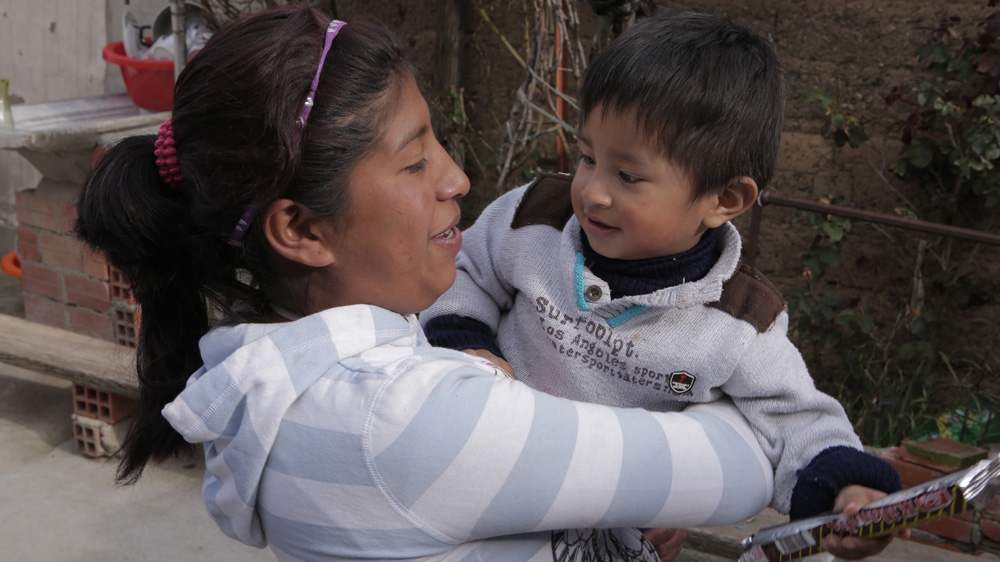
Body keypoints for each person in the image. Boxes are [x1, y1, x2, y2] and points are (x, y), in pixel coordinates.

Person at [74, 5, 793, 562]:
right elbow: (747, 464)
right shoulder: (406, 419)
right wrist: (716, 358)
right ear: (301, 231)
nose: (458, 178)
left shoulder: (272, 366)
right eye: (415, 162)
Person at [420, 8, 904, 559]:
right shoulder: (536, 217)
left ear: (725, 199)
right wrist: (468, 348)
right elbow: (468, 277)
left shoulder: (740, 320)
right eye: (587, 158)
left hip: (610, 527)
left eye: (628, 176)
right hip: (483, 480)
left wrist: (848, 491)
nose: (593, 192)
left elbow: (795, 418)